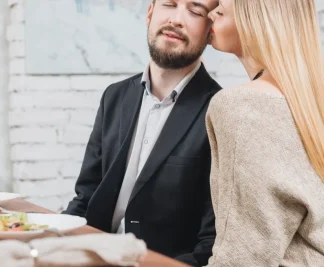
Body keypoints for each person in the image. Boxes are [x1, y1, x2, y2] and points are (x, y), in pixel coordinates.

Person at [63, 0, 220, 266]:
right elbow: (85, 197)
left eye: (195, 11)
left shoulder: (219, 111)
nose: (177, 19)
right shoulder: (114, 96)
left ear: (210, 30)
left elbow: (211, 242)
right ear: (150, 13)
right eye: (169, 4)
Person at [205, 0, 324, 265]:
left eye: (220, 10)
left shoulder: (243, 106)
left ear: (255, 21)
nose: (209, 13)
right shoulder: (310, 105)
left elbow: (244, 256)